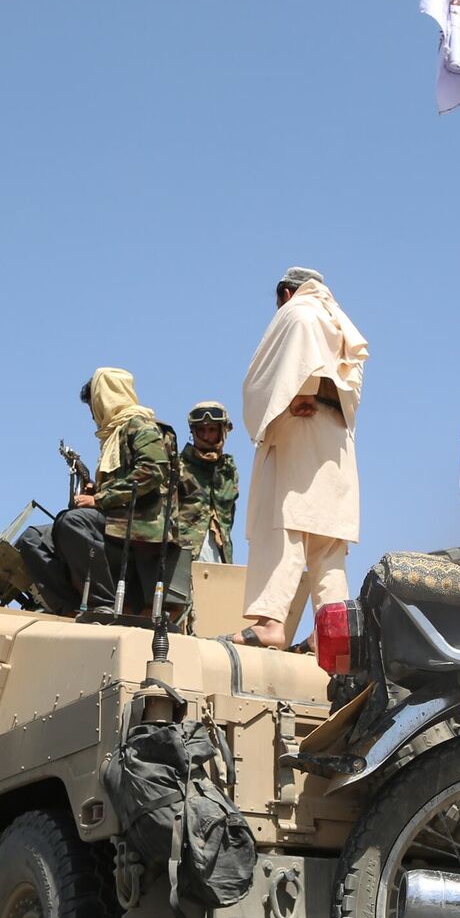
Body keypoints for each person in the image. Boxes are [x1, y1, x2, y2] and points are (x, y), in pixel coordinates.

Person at [234, 267, 368, 649]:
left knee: (285, 526)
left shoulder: (299, 313)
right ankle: (331, 637)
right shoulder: (339, 322)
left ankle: (270, 622)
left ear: (285, 294)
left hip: (298, 433)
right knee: (327, 547)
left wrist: (304, 391)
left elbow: (295, 365)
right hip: (336, 443)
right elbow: (349, 386)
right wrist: (320, 393)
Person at [30, 368, 179, 615]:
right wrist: (99, 489)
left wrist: (99, 498)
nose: (92, 415)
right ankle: (69, 610)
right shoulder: (113, 436)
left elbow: (152, 471)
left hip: (141, 528)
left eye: (93, 406)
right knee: (33, 539)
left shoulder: (140, 427)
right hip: (116, 523)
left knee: (72, 522)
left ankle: (104, 605)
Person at [176, 401, 239, 562]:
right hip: (183, 554)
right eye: (201, 430)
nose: (206, 436)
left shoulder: (228, 471)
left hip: (221, 554)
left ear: (222, 431)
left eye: (212, 430)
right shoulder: (178, 467)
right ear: (193, 432)